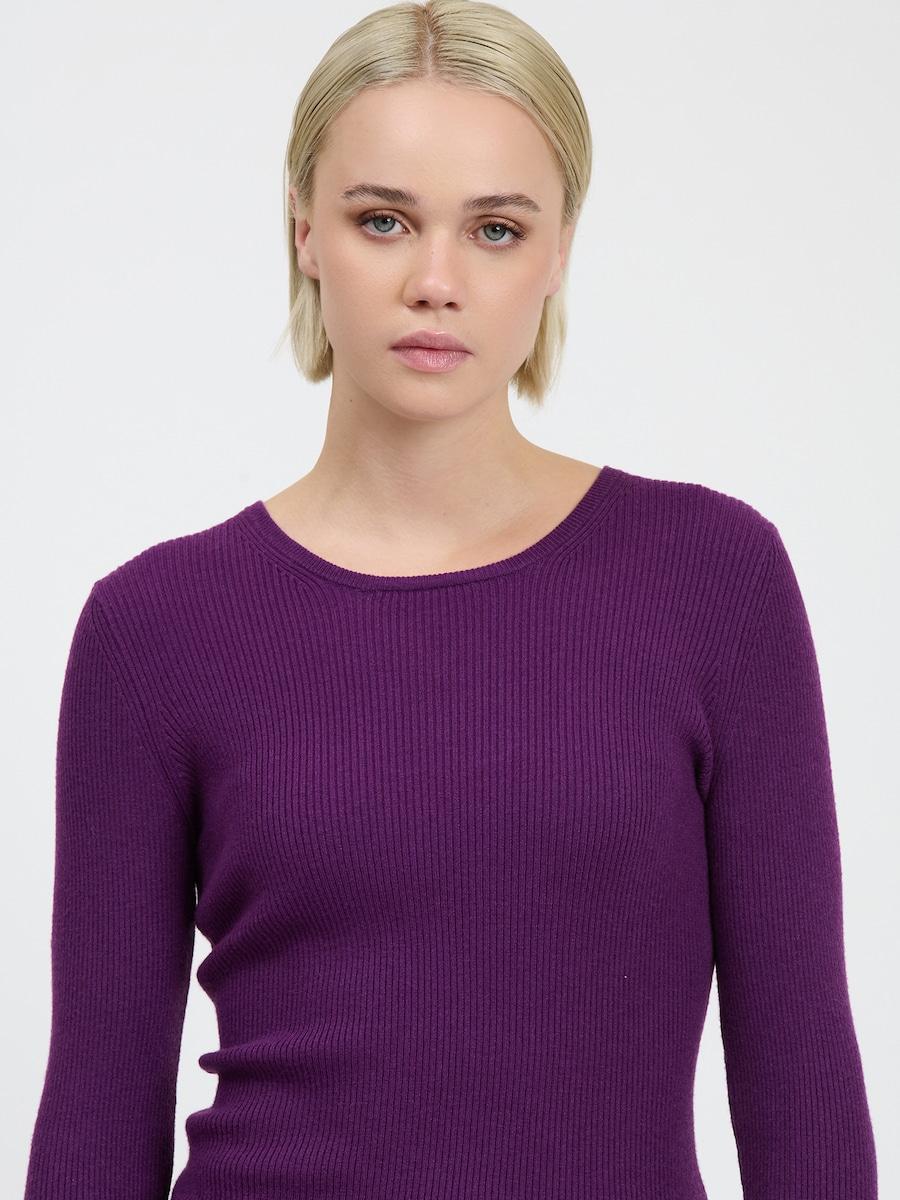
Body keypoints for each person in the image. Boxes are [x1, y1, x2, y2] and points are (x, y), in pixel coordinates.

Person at [23, 2, 878, 1198]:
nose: (435, 282)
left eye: (495, 229)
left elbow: (804, 1083)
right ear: (305, 230)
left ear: (559, 249)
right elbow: (96, 1116)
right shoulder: (155, 630)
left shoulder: (711, 582)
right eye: (383, 220)